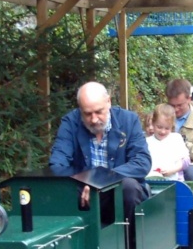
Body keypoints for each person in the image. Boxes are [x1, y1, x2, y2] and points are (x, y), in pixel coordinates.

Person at [49, 81, 151, 217]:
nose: (94, 119)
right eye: (87, 114)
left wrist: (100, 180)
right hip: (83, 194)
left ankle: (129, 238)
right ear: (80, 109)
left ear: (108, 102)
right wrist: (85, 183)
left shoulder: (129, 120)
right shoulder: (70, 123)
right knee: (57, 190)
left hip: (119, 192)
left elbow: (142, 162)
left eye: (98, 112)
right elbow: (57, 165)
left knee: (129, 187)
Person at [146, 104, 191, 181]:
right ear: (153, 123)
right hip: (152, 181)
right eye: (159, 127)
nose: (163, 131)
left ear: (172, 126)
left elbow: (186, 161)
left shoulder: (176, 139)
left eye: (167, 128)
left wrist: (172, 170)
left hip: (174, 181)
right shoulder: (147, 142)